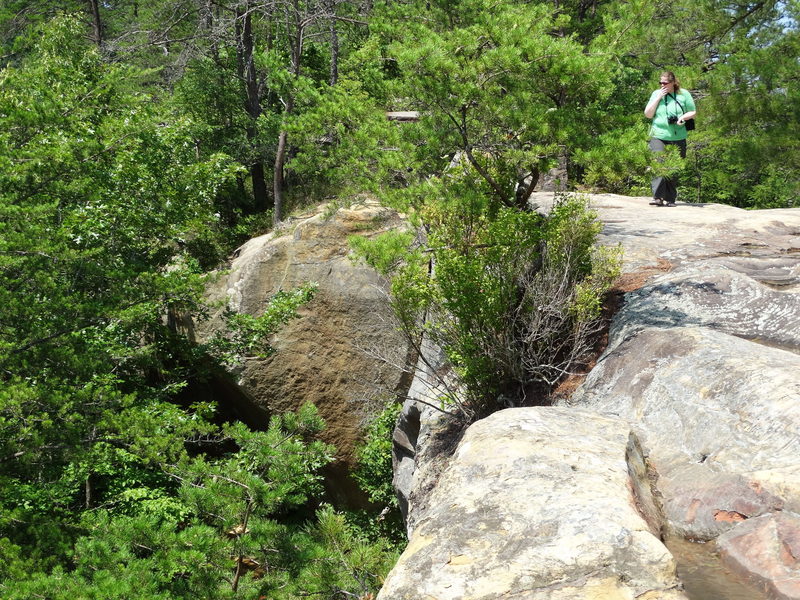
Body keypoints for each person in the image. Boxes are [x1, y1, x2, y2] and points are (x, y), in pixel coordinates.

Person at [644, 71, 696, 206]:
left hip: (678, 135)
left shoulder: (684, 94)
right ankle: (658, 197)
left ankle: (670, 198)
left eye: (665, 83)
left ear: (673, 82)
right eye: (660, 82)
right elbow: (648, 114)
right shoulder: (656, 94)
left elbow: (693, 111)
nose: (662, 85)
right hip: (658, 135)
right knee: (658, 163)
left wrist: (683, 118)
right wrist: (658, 98)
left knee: (673, 167)